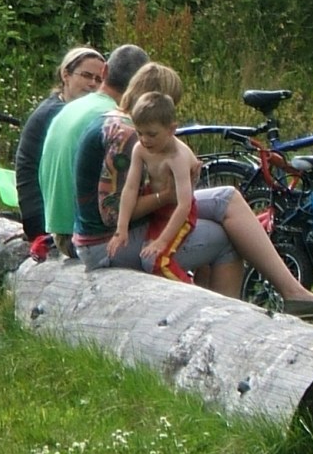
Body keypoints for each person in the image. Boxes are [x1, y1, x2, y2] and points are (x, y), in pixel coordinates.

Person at [73, 63, 313, 320]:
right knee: (224, 239)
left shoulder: (122, 121)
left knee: (227, 197)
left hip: (124, 228)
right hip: (103, 245)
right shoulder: (128, 135)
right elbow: (111, 214)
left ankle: (294, 293)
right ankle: (225, 323)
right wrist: (167, 197)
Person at [38, 44, 149, 258]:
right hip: (82, 237)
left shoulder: (72, 107)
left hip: (57, 231)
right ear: (143, 85)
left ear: (104, 71)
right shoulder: (116, 120)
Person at [15, 46, 105, 243]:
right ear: (66, 75)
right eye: (86, 76)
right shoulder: (58, 113)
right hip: (43, 217)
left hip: (47, 211)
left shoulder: (62, 106)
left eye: (98, 80)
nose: (92, 84)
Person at [110, 91, 199, 283]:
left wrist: (162, 241)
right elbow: (131, 188)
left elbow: (185, 204)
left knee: (158, 260)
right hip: (158, 209)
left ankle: (189, 290)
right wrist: (122, 228)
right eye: (139, 133)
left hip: (179, 212)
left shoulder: (178, 157)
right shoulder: (140, 149)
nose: (144, 140)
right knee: (147, 257)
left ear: (171, 129)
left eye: (151, 134)